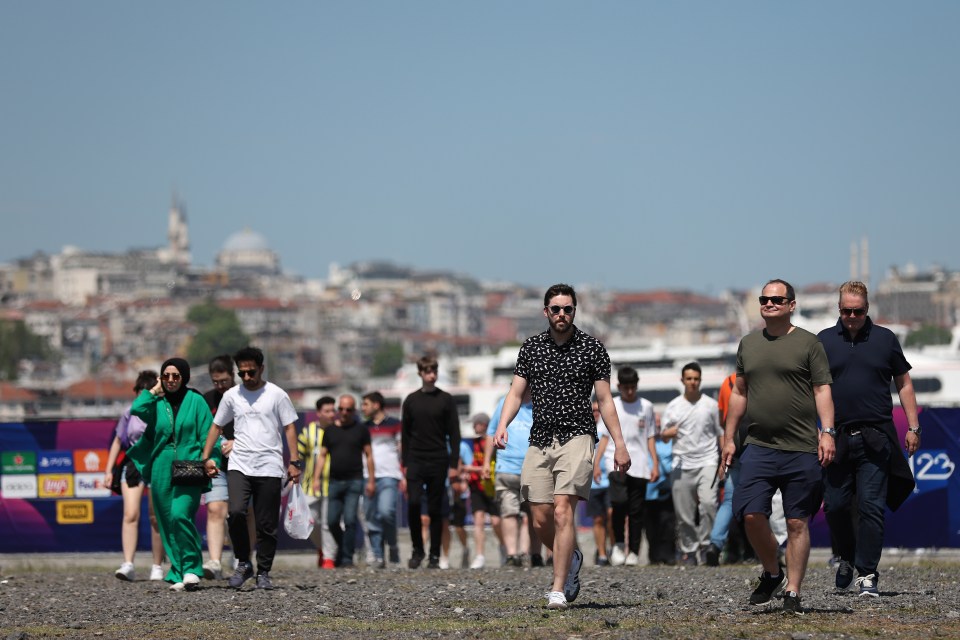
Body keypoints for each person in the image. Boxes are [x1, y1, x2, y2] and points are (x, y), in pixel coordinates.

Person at [493, 283, 631, 610]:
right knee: (540, 517)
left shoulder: (592, 348)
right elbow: (515, 394)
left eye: (567, 309)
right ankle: (572, 556)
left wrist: (620, 444)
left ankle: (558, 588)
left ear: (574, 312)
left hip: (578, 435)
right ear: (546, 312)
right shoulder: (531, 348)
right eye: (556, 309)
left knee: (562, 507)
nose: (561, 314)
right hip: (540, 438)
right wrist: (502, 426)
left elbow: (605, 401)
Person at [721, 279, 835, 615]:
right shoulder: (749, 344)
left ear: (791, 305)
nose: (769, 303)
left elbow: (822, 390)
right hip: (758, 445)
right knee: (750, 513)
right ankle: (773, 572)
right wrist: (729, 438)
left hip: (801, 447)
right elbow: (739, 393)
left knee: (797, 523)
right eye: (764, 299)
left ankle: (793, 593)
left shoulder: (808, 343)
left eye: (777, 299)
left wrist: (827, 431)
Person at [819, 281, 920, 597]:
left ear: (867, 309)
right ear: (839, 309)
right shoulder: (822, 341)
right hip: (836, 438)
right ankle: (846, 557)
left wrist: (913, 427)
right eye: (846, 310)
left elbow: (903, 384)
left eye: (858, 311)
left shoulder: (885, 339)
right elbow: (813, 390)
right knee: (834, 506)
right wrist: (821, 432)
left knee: (871, 507)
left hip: (876, 437)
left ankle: (867, 573)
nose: (852, 316)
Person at [201, 346, 301, 591]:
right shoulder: (232, 396)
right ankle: (244, 562)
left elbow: (289, 427)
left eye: (251, 372)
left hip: (269, 466)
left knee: (266, 525)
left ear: (261, 369)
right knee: (235, 513)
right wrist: (205, 458)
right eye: (242, 373)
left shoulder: (277, 394)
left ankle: (264, 572)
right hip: (239, 465)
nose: (247, 377)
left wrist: (294, 462)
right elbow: (216, 426)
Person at [127, 358, 218, 592]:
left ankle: (191, 568)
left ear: (184, 377)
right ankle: (177, 571)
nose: (170, 380)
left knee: (180, 515)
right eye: (165, 376)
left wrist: (211, 460)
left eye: (175, 376)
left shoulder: (196, 401)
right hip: (161, 465)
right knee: (166, 521)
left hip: (190, 464)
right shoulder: (155, 402)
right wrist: (154, 391)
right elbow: (136, 410)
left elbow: (208, 435)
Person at [104, 370, 165, 582]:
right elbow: (118, 441)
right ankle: (128, 563)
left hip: (157, 462)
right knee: (130, 514)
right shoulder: (129, 411)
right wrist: (108, 470)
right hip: (133, 464)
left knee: (156, 517)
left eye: (147, 391)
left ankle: (157, 565)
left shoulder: (161, 410)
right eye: (140, 391)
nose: (143, 395)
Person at [401, 355, 462, 569]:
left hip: (438, 458)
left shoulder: (445, 399)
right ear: (420, 373)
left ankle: (434, 555)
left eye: (434, 371)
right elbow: (405, 434)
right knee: (414, 504)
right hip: (416, 459)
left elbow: (454, 433)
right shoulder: (410, 400)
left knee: (436, 509)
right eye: (427, 371)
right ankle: (418, 549)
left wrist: (454, 464)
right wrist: (405, 463)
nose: (432, 375)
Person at [594, 366, 658, 566]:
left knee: (637, 511)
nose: (629, 391)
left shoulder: (646, 406)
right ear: (619, 387)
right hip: (615, 462)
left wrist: (654, 463)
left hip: (639, 464)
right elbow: (604, 437)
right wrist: (596, 463)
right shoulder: (613, 405)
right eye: (625, 387)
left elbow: (650, 437)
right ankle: (620, 545)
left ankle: (634, 551)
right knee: (619, 504)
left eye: (633, 387)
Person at [661, 362, 722, 566]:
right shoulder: (674, 406)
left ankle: (706, 546)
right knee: (684, 513)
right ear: (682, 381)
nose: (692, 382)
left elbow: (720, 433)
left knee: (708, 504)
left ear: (700, 380)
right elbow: (664, 435)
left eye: (696, 379)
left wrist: (724, 459)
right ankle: (689, 550)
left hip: (708, 460)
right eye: (689, 379)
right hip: (681, 464)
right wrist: (671, 432)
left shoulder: (710, 405)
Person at [484, 388, 542, 568]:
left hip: (535, 467)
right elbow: (491, 432)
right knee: (509, 512)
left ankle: (535, 554)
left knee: (536, 514)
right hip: (507, 467)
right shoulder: (504, 403)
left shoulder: (539, 404)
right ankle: (511, 554)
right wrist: (486, 462)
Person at [317, 394, 375, 568]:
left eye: (348, 410)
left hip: (354, 481)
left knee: (350, 520)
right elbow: (322, 455)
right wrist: (316, 479)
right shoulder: (330, 431)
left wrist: (371, 480)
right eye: (340, 409)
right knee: (332, 521)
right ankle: (342, 548)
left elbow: (369, 455)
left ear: (354, 411)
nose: (344, 413)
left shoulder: (361, 430)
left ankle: (347, 558)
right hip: (334, 481)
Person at [361, 391, 405, 568]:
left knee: (387, 512)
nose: (362, 408)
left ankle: (392, 544)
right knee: (371, 517)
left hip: (389, 475)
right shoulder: (363, 427)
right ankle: (378, 555)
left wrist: (404, 474)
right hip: (367, 476)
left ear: (376, 405)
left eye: (366, 404)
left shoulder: (396, 424)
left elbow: (403, 450)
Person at [200, 355, 232, 580]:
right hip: (216, 464)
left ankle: (242, 558)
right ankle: (214, 561)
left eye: (224, 381)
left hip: (245, 463)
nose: (220, 386)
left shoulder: (243, 396)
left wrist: (236, 442)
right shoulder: (207, 399)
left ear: (233, 375)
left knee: (244, 514)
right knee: (215, 509)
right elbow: (203, 429)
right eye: (216, 381)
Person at [462, 412, 502, 568]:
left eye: (476, 423)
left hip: (491, 486)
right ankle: (479, 555)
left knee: (496, 521)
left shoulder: (491, 442)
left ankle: (503, 546)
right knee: (478, 520)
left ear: (483, 424)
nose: (473, 426)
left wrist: (470, 468)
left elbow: (491, 466)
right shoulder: (474, 443)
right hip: (476, 487)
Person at [302, 396, 337, 569]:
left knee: (328, 523)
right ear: (318, 413)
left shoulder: (339, 431)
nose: (331, 414)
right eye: (327, 411)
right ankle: (321, 548)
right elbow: (298, 454)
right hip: (310, 486)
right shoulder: (308, 432)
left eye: (333, 410)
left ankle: (329, 559)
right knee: (310, 521)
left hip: (332, 485)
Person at [643, 416, 676, 565]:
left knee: (668, 523)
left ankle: (668, 554)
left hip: (666, 489)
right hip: (648, 491)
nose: (656, 426)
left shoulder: (669, 443)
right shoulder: (643, 443)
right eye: (653, 423)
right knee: (651, 526)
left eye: (658, 423)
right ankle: (654, 555)